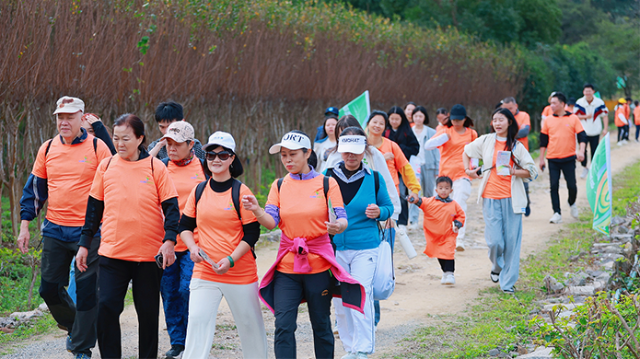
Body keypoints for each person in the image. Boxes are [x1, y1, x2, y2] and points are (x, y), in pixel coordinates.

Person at [243, 131, 364, 359]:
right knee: (284, 325)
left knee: (320, 324)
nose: (287, 160)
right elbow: (271, 222)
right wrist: (257, 211)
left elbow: (341, 216)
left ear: (308, 153)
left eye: (293, 154)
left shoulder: (328, 183)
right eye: (284, 155)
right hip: (287, 268)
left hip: (318, 265)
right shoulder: (278, 185)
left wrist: (338, 226)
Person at [76, 114, 180, 359]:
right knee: (107, 307)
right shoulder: (107, 166)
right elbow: (93, 210)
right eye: (116, 138)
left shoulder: (156, 167)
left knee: (147, 314)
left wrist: (169, 241)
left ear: (140, 138)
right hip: (113, 254)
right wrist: (84, 244)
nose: (119, 143)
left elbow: (172, 208)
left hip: (147, 256)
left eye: (125, 138)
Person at [17, 96, 112, 359]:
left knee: (85, 290)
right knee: (48, 288)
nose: (64, 121)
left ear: (82, 118)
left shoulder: (98, 147)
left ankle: (81, 348)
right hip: (55, 230)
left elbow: (114, 184)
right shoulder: (47, 149)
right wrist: (25, 225)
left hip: (89, 232)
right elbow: (35, 191)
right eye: (60, 116)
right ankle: (77, 326)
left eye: (70, 116)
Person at [179, 131, 268, 359]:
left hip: (240, 273)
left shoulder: (241, 191)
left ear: (232, 159)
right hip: (205, 271)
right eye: (210, 155)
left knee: (251, 329)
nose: (216, 160)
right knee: (197, 321)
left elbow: (252, 234)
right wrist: (192, 248)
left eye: (223, 155)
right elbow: (185, 227)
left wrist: (230, 260)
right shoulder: (199, 191)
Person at [325, 128, 394, 359]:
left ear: (364, 151)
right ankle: (350, 348)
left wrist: (379, 211)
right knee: (341, 301)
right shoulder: (327, 176)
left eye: (355, 152)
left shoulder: (374, 178)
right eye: (346, 152)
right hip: (336, 248)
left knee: (361, 293)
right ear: (339, 151)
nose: (350, 157)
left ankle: (363, 349)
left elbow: (389, 208)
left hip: (366, 247)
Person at [463, 108, 537, 293]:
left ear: (509, 122)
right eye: (494, 120)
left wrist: (514, 171)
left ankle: (507, 283)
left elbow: (532, 172)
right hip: (490, 197)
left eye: (501, 120)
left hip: (512, 198)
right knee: (495, 241)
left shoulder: (516, 146)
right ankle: (497, 266)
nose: (497, 123)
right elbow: (466, 151)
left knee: (512, 241)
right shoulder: (486, 140)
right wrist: (468, 170)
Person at [158, 121, 209, 358]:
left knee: (188, 289)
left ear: (191, 144)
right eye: (168, 143)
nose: (172, 148)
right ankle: (177, 341)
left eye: (177, 143)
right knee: (170, 293)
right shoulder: (160, 168)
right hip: (166, 243)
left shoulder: (205, 167)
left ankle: (193, 338)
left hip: (195, 243)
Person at [322, 116, 401, 223]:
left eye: (352, 134)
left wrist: (393, 214)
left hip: (370, 217)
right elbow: (323, 185)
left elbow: (387, 182)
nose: (349, 139)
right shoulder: (334, 156)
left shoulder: (373, 153)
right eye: (343, 135)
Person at [424, 104, 478, 251]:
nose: (456, 123)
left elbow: (475, 153)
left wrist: (474, 169)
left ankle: (459, 239)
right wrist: (443, 138)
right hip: (445, 177)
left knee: (460, 204)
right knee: (443, 208)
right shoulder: (444, 130)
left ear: (465, 119)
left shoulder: (472, 134)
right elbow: (428, 145)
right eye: (453, 120)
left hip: (463, 174)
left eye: (459, 120)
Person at [539, 92, 587, 224]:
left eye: (554, 103)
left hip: (569, 158)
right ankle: (557, 212)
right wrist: (541, 158)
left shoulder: (573, 118)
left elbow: (582, 136)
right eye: (551, 103)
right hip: (552, 158)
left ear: (562, 104)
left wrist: (581, 151)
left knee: (572, 186)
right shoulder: (548, 120)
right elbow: (543, 141)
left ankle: (572, 203)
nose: (551, 106)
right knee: (553, 185)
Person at [408, 176, 465, 285]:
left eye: (446, 188)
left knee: (448, 253)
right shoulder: (430, 202)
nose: (444, 190)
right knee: (440, 254)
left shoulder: (454, 204)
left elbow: (461, 215)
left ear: (451, 190)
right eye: (441, 188)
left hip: (448, 234)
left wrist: (457, 224)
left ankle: (450, 274)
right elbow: (420, 201)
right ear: (436, 189)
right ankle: (445, 273)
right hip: (434, 236)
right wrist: (413, 199)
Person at [383, 106, 420, 230]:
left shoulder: (406, 131)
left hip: (402, 166)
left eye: (397, 119)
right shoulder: (385, 131)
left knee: (402, 194)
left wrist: (400, 149)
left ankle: (403, 221)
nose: (394, 122)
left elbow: (416, 148)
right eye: (391, 119)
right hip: (387, 168)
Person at [409, 106, 440, 227]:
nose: (418, 119)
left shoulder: (431, 132)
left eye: (420, 116)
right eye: (415, 116)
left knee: (428, 193)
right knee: (415, 192)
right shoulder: (409, 131)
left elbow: (436, 151)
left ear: (424, 117)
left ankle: (429, 219)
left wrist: (437, 168)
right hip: (413, 165)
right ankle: (413, 220)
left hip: (429, 165)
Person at [501, 97, 532, 216]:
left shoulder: (524, 115)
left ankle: (526, 203)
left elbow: (525, 132)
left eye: (510, 108)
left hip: (521, 154)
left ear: (516, 106)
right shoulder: (501, 116)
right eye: (505, 108)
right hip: (504, 153)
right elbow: (493, 130)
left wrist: (507, 133)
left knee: (523, 181)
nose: (508, 110)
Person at [574, 84, 609, 178]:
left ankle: (594, 170)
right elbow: (574, 116)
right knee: (583, 151)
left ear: (593, 92)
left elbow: (605, 115)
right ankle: (585, 167)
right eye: (586, 91)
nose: (588, 93)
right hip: (583, 131)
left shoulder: (599, 102)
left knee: (595, 151)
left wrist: (605, 129)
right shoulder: (580, 102)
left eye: (589, 91)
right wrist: (585, 116)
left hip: (595, 131)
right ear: (583, 92)